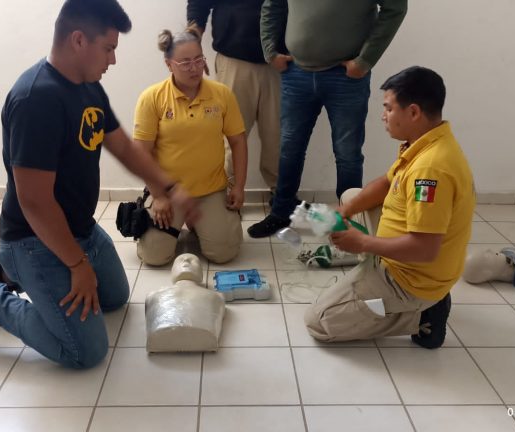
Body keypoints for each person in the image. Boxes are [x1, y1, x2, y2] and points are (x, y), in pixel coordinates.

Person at [0, 0, 199, 369]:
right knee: (85, 351)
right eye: (109, 48)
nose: (113, 60)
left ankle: (4, 269)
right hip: (32, 238)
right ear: (79, 40)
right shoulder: (36, 100)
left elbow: (124, 147)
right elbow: (34, 203)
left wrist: (171, 188)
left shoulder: (87, 87)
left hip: (78, 228)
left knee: (114, 297)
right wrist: (78, 265)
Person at [303, 66, 475, 349]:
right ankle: (414, 291)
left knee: (319, 321)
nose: (383, 116)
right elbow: (387, 183)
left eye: (388, 108)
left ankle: (422, 314)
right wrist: (343, 211)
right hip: (407, 257)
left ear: (414, 112)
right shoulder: (426, 142)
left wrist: (363, 243)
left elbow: (425, 248)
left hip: (410, 278)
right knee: (352, 196)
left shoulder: (430, 169)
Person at [247, 0, 408, 238]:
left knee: (347, 154)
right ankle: (281, 211)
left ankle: (348, 221)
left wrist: (365, 61)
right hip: (296, 73)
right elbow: (272, 5)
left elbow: (396, 8)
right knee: (290, 147)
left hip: (346, 77)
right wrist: (270, 51)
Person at [134, 25, 247, 266]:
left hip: (211, 190)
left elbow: (238, 141)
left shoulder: (221, 94)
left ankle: (201, 225)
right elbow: (141, 153)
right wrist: (158, 195)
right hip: (169, 192)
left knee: (224, 254)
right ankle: (170, 219)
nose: (194, 68)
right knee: (154, 257)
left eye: (198, 60)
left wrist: (238, 186)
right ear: (168, 64)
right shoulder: (152, 97)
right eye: (185, 63)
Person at [187, 0, 281, 195]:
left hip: (280, 62)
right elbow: (199, 3)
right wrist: (192, 43)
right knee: (229, 136)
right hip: (233, 58)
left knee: (279, 136)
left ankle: (281, 197)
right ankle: (227, 194)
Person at [145, 253, 226, 352]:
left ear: (201, 274)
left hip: (205, 337)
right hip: (203, 338)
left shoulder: (218, 296)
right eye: (180, 260)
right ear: (172, 272)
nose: (186, 261)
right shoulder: (152, 295)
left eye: (193, 261)